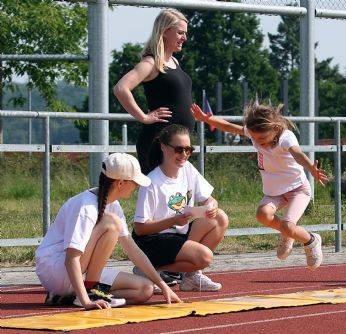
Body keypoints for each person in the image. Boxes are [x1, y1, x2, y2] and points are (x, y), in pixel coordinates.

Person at [191, 102, 329, 270]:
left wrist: (311, 169)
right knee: (262, 215)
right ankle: (289, 232)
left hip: (297, 189)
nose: (258, 143)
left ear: (276, 129)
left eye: (262, 139)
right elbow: (228, 126)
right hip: (275, 191)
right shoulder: (255, 133)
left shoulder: (286, 137)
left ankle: (311, 241)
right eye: (255, 139)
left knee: (287, 225)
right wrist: (207, 119)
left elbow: (298, 154)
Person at [35, 153, 182, 310]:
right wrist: (87, 302)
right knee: (112, 223)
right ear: (120, 183)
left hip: (78, 270)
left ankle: (68, 296)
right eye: (135, 182)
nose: (138, 186)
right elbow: (71, 258)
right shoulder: (86, 207)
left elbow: (133, 250)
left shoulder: (114, 205)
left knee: (145, 289)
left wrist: (161, 284)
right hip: (58, 271)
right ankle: (90, 292)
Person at [133, 124, 229, 291]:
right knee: (205, 257)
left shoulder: (188, 169)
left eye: (188, 149)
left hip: (178, 234)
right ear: (163, 147)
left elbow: (209, 198)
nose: (184, 155)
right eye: (179, 149)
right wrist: (174, 220)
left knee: (220, 217)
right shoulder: (152, 183)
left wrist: (211, 206)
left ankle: (191, 277)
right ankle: (149, 270)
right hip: (153, 240)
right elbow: (140, 229)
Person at [113, 8, 194, 174]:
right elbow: (121, 88)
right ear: (164, 31)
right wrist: (143, 117)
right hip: (159, 143)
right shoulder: (151, 63)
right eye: (180, 33)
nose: (184, 38)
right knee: (159, 194)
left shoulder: (175, 62)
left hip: (176, 145)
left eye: (185, 33)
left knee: (175, 195)